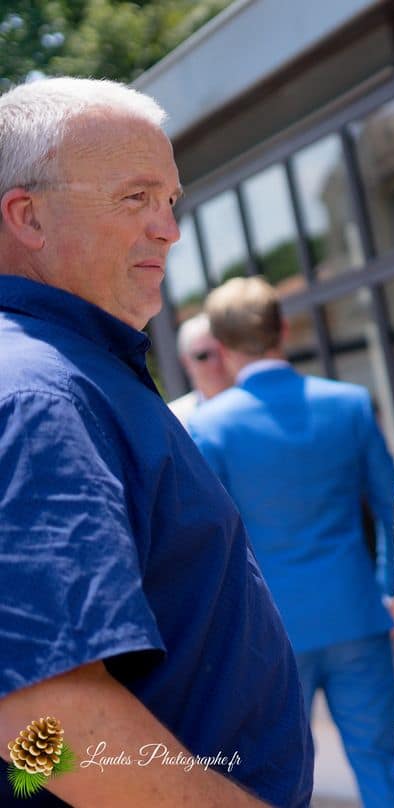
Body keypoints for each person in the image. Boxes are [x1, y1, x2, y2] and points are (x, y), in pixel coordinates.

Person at [0, 77, 311, 806]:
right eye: (135, 198)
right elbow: (39, 719)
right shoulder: (41, 395)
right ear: (28, 216)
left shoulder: (72, 371)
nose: (169, 228)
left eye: (170, 200)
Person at [188, 276, 394, 808]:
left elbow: (210, 542)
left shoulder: (209, 426)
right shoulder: (348, 404)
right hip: (358, 615)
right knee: (385, 765)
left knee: (278, 779)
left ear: (220, 345)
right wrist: (392, 589)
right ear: (283, 328)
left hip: (271, 631)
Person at [168, 312, 232, 426]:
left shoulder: (256, 403)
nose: (216, 362)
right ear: (186, 362)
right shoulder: (173, 421)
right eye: (203, 356)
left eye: (221, 352)